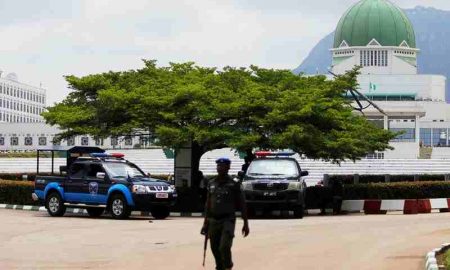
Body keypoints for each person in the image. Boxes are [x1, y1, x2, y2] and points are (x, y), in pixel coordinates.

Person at [201, 157, 250, 270]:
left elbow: (242, 204)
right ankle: (220, 266)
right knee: (214, 247)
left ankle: (228, 266)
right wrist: (205, 223)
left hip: (228, 220)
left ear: (228, 167)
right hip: (213, 220)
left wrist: (246, 224)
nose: (220, 168)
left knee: (224, 246)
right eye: (218, 166)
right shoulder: (211, 183)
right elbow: (208, 204)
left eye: (223, 166)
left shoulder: (234, 184)